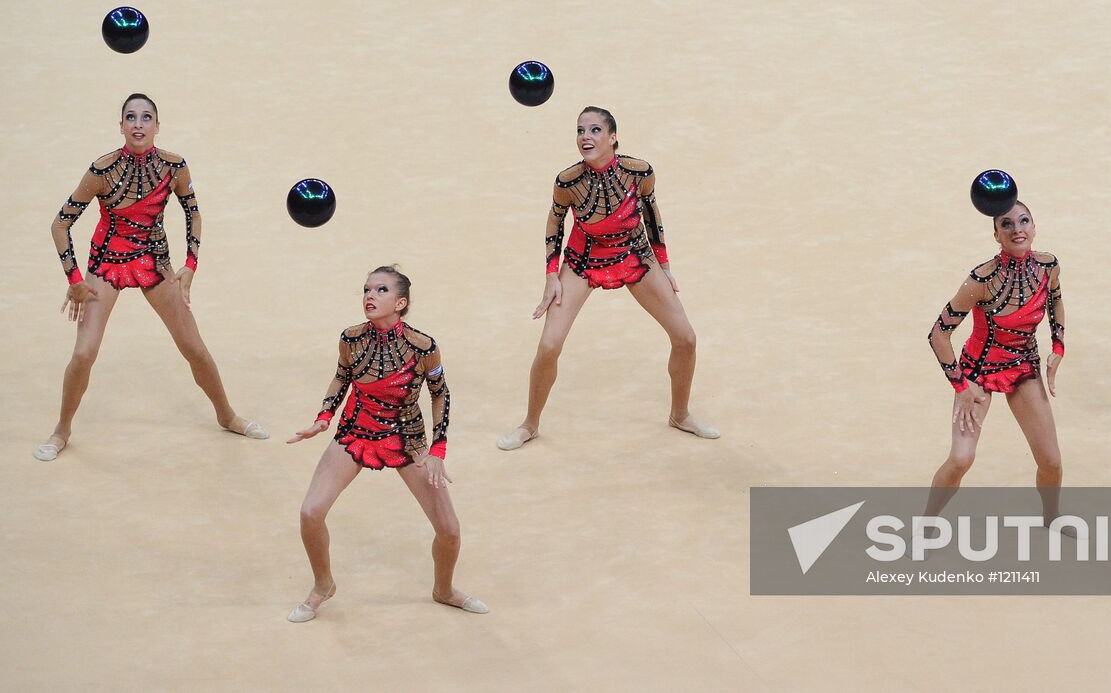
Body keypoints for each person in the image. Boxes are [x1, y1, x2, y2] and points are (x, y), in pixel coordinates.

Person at [36, 94, 266, 462]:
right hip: (107, 263)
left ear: (158, 126)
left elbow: (194, 212)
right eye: (131, 117)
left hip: (153, 261)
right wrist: (75, 278)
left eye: (146, 117)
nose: (138, 124)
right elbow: (60, 223)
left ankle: (227, 415)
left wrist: (190, 264)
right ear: (121, 125)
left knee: (193, 347)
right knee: (83, 353)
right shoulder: (101, 170)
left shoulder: (173, 167)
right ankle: (61, 430)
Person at [499, 106, 718, 450]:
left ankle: (680, 414)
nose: (586, 137)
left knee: (686, 338)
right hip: (582, 260)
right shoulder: (567, 181)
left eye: (595, 130)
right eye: (580, 130)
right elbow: (555, 222)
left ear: (613, 137)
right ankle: (529, 424)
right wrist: (550, 275)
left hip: (634, 254)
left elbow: (651, 214)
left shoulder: (639, 172)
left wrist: (664, 264)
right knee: (549, 345)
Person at [287, 266, 486, 622]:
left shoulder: (423, 346)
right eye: (366, 289)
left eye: (380, 290)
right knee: (310, 512)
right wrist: (322, 418)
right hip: (355, 432)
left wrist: (438, 450)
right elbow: (341, 377)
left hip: (407, 439)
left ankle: (444, 590)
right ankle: (323, 586)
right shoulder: (350, 338)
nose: (370, 295)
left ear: (401, 302)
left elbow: (440, 394)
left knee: (450, 530)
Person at [925, 202, 1066, 522]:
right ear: (996, 235)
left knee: (1051, 461)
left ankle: (1052, 517)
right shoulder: (981, 279)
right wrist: (960, 385)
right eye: (1007, 224)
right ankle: (925, 525)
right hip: (978, 370)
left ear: (1034, 226)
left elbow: (1055, 298)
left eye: (1024, 221)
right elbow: (938, 334)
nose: (1017, 229)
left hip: (1023, 365)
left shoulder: (1048, 266)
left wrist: (1058, 346)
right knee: (961, 458)